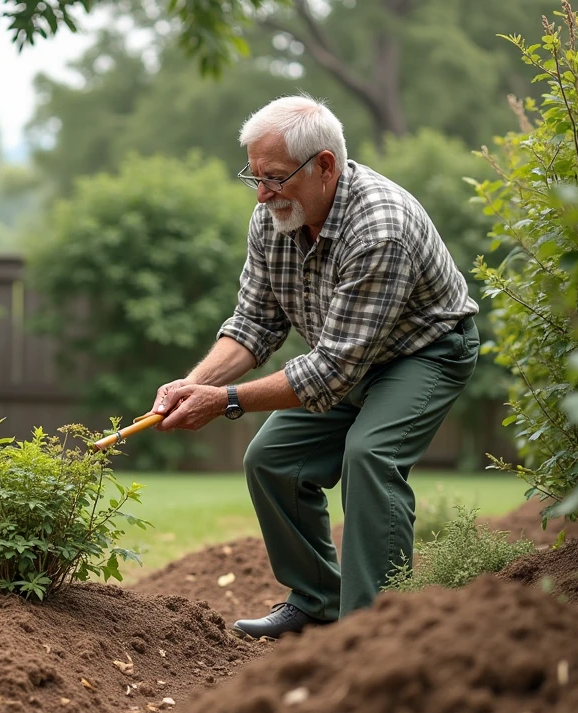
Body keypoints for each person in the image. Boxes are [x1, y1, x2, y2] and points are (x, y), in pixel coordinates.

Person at [149, 94, 480, 639]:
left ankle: (373, 629)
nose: (261, 194)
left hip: (426, 352)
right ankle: (318, 599)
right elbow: (255, 324)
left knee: (370, 455)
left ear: (325, 166)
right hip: (345, 353)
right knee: (270, 459)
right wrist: (194, 384)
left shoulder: (380, 228)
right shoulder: (273, 219)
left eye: (275, 178)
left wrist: (227, 402)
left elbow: (331, 373)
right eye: (254, 177)